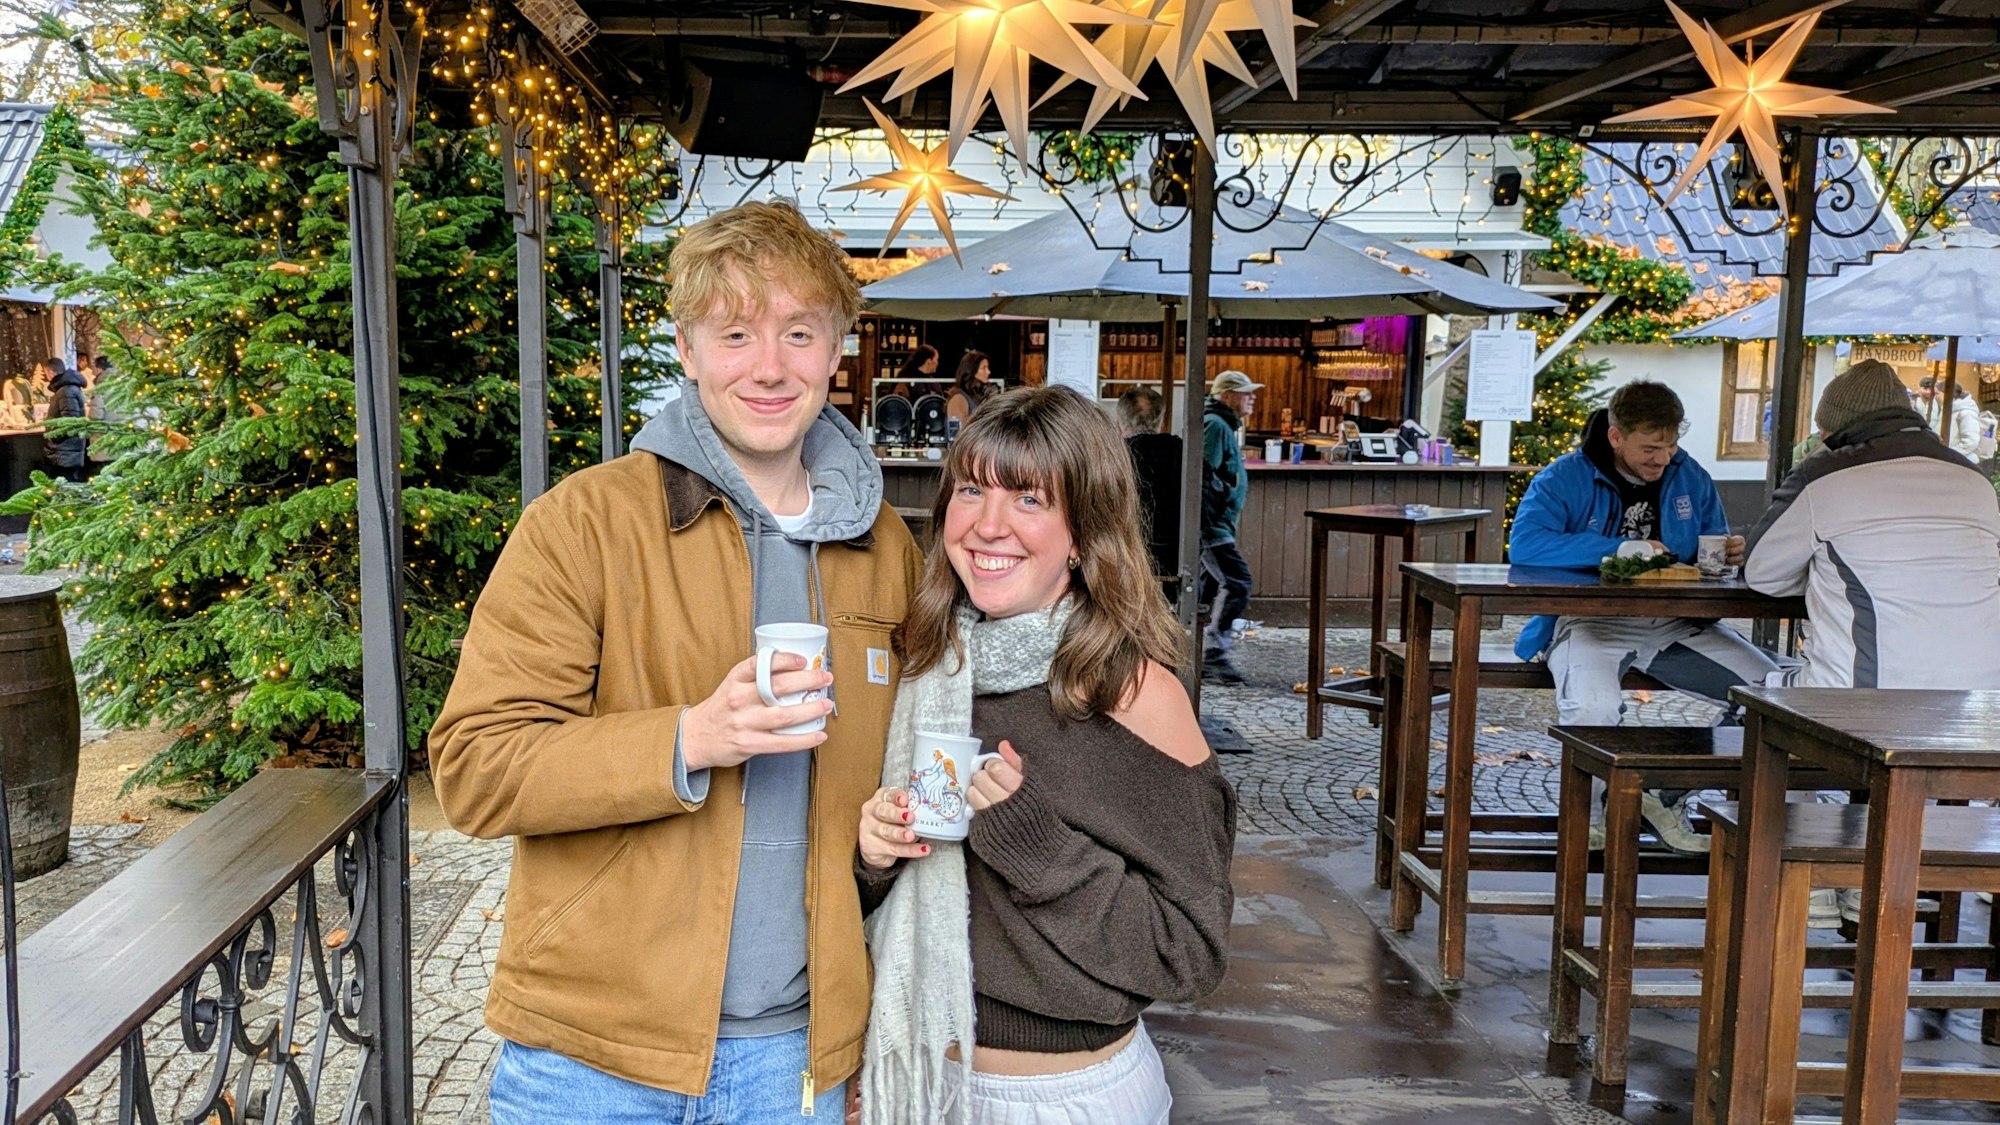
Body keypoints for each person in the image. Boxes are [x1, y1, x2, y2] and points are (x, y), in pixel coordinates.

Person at [429, 201, 924, 1122]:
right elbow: (474, 768)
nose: (770, 366)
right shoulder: (583, 524)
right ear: (688, 350)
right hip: (591, 1059)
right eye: (735, 333)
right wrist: (692, 737)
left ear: (836, 350)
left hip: (798, 1063)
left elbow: (890, 779)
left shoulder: (886, 545)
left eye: (800, 333)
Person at [854, 385, 1236, 1125]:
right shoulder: (925, 668)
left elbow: (1189, 953)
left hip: (1065, 1098)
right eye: (971, 490)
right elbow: (872, 909)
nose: (988, 525)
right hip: (914, 1083)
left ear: (1084, 534)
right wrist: (874, 854)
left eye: (1028, 499)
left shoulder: (1133, 693)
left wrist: (1036, 850)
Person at [1746, 359, 2000, 925]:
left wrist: (1822, 568)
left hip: (1866, 709)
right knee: (1859, 685)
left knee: (1768, 698)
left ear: (1835, 432)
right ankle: (1875, 874)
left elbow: (1760, 575)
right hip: (1979, 710)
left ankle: (1802, 876)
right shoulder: (1975, 481)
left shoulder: (1825, 475)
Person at [1509, 379, 1778, 854]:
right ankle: (1587, 823)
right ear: (1616, 436)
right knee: (1592, 711)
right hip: (1589, 622)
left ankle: (1661, 794)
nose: (1663, 459)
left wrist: (1730, 550)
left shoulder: (1688, 474)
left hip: (1676, 624)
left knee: (1773, 696)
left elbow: (1709, 540)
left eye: (1671, 446)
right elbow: (1526, 545)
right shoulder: (1563, 477)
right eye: (1650, 448)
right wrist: (1616, 548)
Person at [1199, 370, 1261, 684]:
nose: (1252, 397)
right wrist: (1210, 521)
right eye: (1246, 392)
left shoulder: (1223, 425)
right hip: (1213, 527)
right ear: (1227, 396)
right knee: (1238, 583)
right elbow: (1204, 474)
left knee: (1204, 590)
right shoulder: (1216, 425)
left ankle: (1194, 651)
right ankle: (1212, 654)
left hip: (1216, 524)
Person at [1116, 384, 1182, 587]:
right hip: (1175, 562)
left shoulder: (1113, 455)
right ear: (1161, 420)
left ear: (1120, 420)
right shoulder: (1182, 452)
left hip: (1122, 561)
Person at [40, 358, 87, 482]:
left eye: (46, 373)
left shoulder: (66, 391)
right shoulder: (68, 389)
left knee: (65, 491)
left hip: (65, 453)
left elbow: (70, 422)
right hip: (67, 452)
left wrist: (54, 437)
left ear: (50, 372)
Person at [945, 350, 995, 426]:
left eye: (987, 367)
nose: (988, 372)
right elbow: (956, 433)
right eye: (984, 368)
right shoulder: (958, 398)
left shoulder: (979, 394)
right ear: (972, 371)